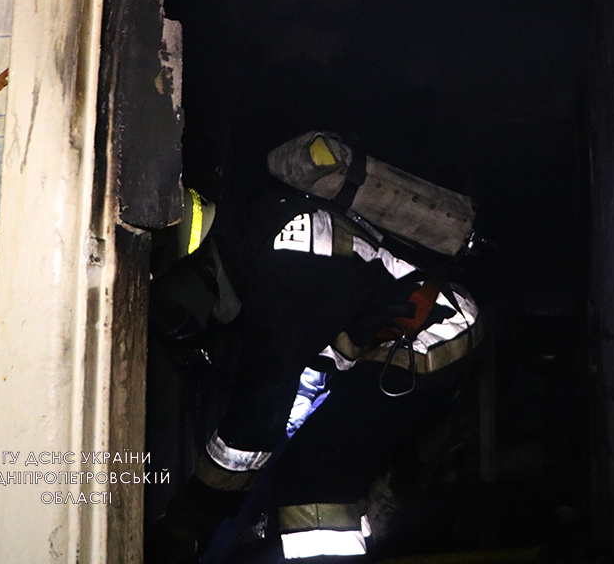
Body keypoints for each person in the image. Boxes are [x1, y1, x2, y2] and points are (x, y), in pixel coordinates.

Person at [145, 181, 481, 563]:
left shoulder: (280, 273)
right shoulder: (265, 231)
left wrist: (184, 522)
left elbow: (252, 430)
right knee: (313, 460)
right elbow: (309, 369)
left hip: (433, 332)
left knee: (316, 478)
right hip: (407, 326)